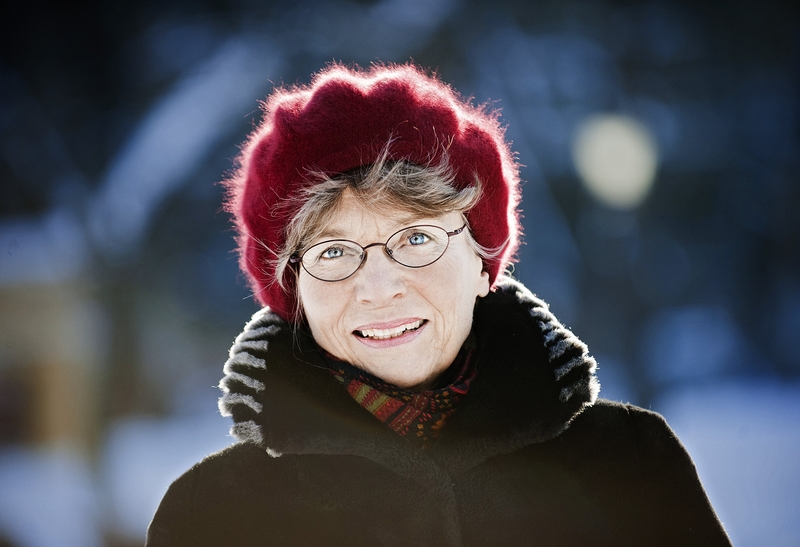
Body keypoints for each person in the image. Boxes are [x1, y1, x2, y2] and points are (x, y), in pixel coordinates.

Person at [145, 63, 732, 546]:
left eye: (417, 239)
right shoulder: (212, 516)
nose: (378, 288)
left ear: (482, 261)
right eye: (332, 252)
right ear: (293, 292)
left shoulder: (632, 466)